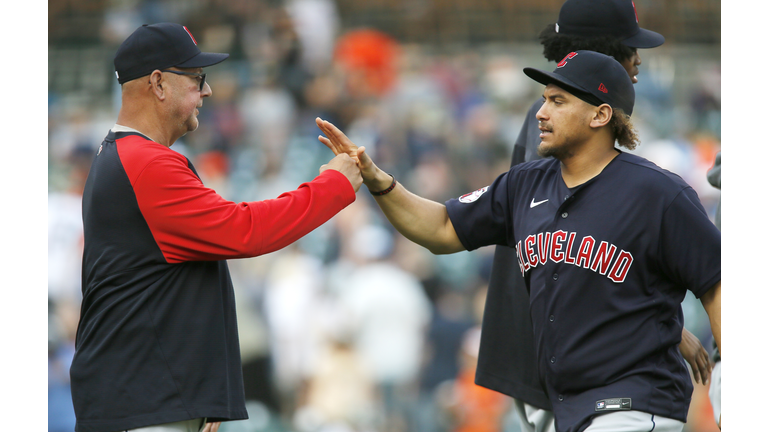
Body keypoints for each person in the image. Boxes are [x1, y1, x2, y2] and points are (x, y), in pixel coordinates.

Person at [315, 50, 721, 432]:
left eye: (558, 101)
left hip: (632, 404)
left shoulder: (658, 193)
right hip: (569, 406)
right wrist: (378, 180)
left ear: (600, 114)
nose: (541, 113)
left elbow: (716, 282)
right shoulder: (525, 183)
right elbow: (440, 229)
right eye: (544, 99)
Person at [69, 23, 362, 432]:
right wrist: (336, 183)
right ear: (158, 83)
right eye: (196, 79)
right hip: (142, 402)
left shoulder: (127, 157)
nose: (206, 92)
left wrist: (201, 395)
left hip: (148, 397)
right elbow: (245, 231)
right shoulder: (145, 162)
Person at [478, 1, 713, 431]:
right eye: (628, 47)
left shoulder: (560, 117)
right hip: (563, 367)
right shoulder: (557, 124)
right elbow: (568, 239)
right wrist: (668, 330)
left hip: (562, 361)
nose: (637, 59)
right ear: (602, 51)